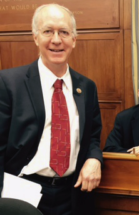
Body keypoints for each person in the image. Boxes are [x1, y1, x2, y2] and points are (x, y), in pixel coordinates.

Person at [0, 4, 103, 215]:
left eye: (64, 32)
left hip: (73, 195)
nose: (56, 40)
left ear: (74, 40)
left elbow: (93, 136)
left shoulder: (88, 87)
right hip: (21, 194)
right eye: (48, 31)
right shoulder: (9, 83)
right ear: (36, 37)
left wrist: (94, 159)